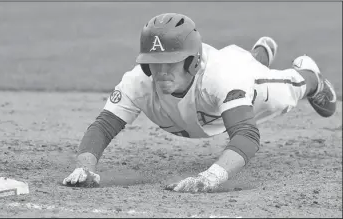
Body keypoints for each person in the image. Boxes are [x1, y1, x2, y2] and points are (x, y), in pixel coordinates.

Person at [62, 13, 337, 193]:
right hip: (225, 84)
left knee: (288, 90)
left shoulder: (221, 76)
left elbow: (247, 135)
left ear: (192, 62)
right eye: (154, 64)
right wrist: (85, 167)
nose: (161, 72)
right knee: (245, 69)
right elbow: (103, 126)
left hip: (243, 82)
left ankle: (310, 76)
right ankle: (258, 55)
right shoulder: (138, 81)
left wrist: (211, 176)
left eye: (170, 63)